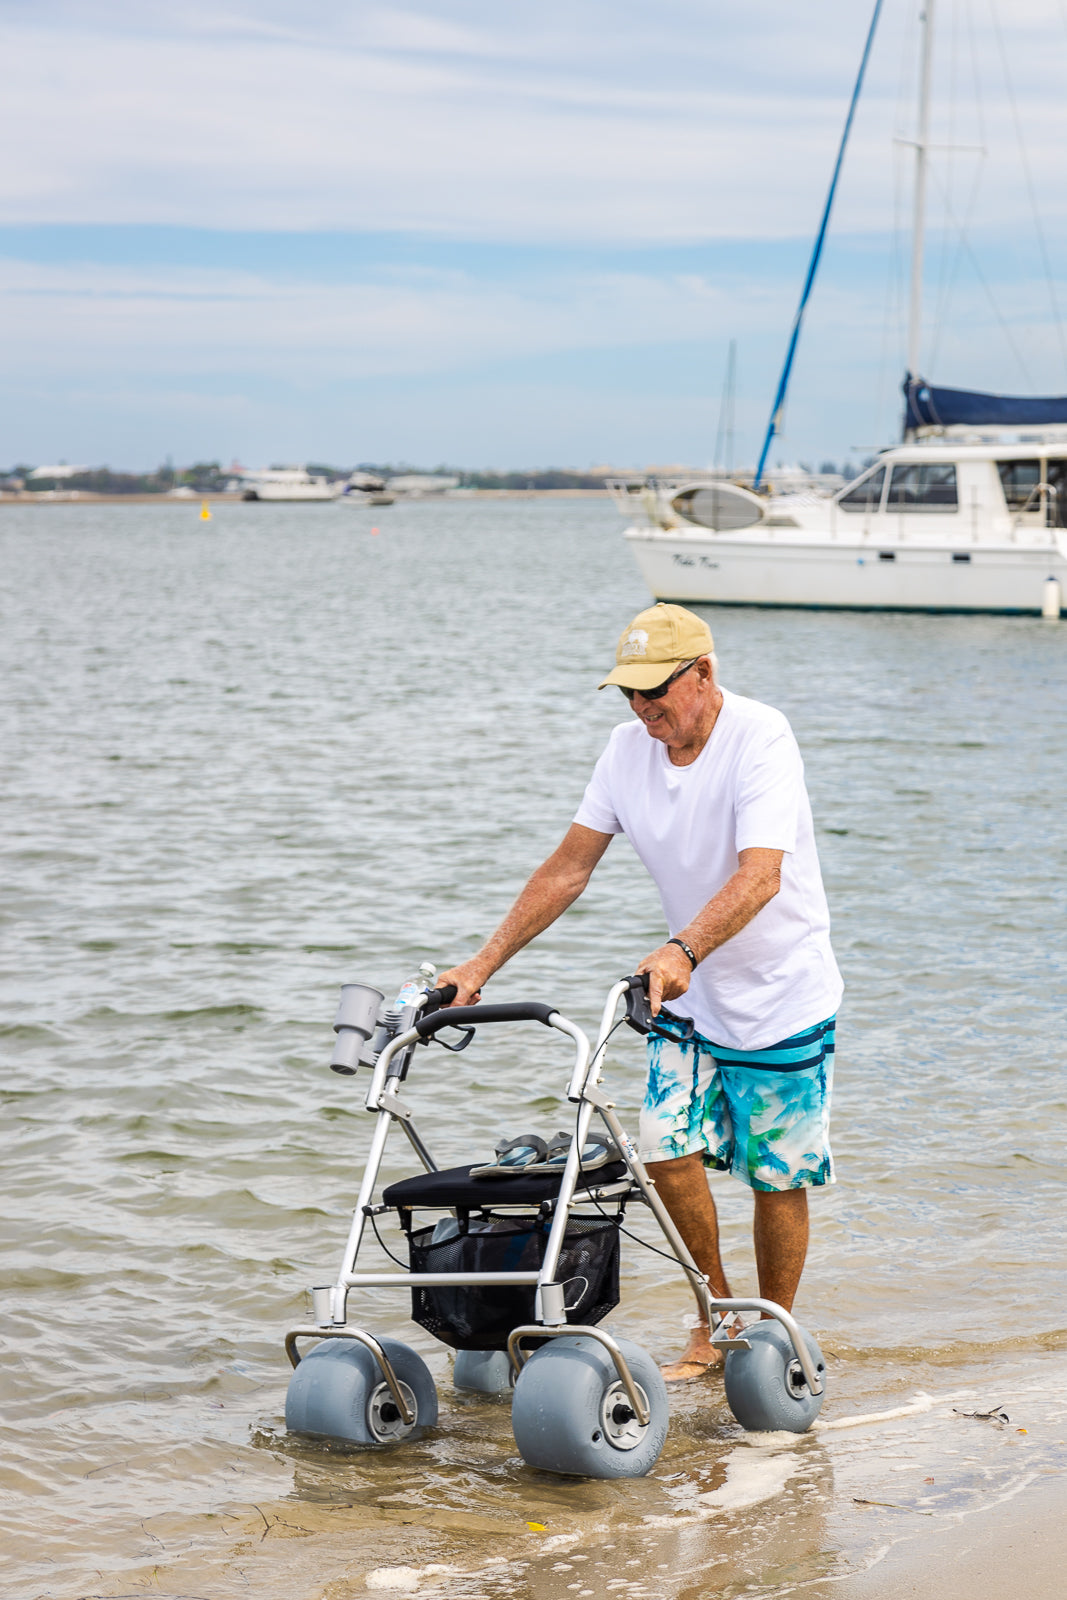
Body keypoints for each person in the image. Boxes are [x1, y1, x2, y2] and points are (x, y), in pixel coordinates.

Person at [438, 602, 842, 1381]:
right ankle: (716, 1317)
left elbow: (761, 874)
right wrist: (481, 965)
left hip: (780, 991)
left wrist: (685, 945)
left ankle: (775, 1331)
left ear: (703, 675)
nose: (641, 708)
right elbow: (568, 868)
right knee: (662, 1148)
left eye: (655, 691)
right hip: (682, 994)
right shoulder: (625, 751)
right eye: (628, 693)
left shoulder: (761, 736)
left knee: (775, 1175)